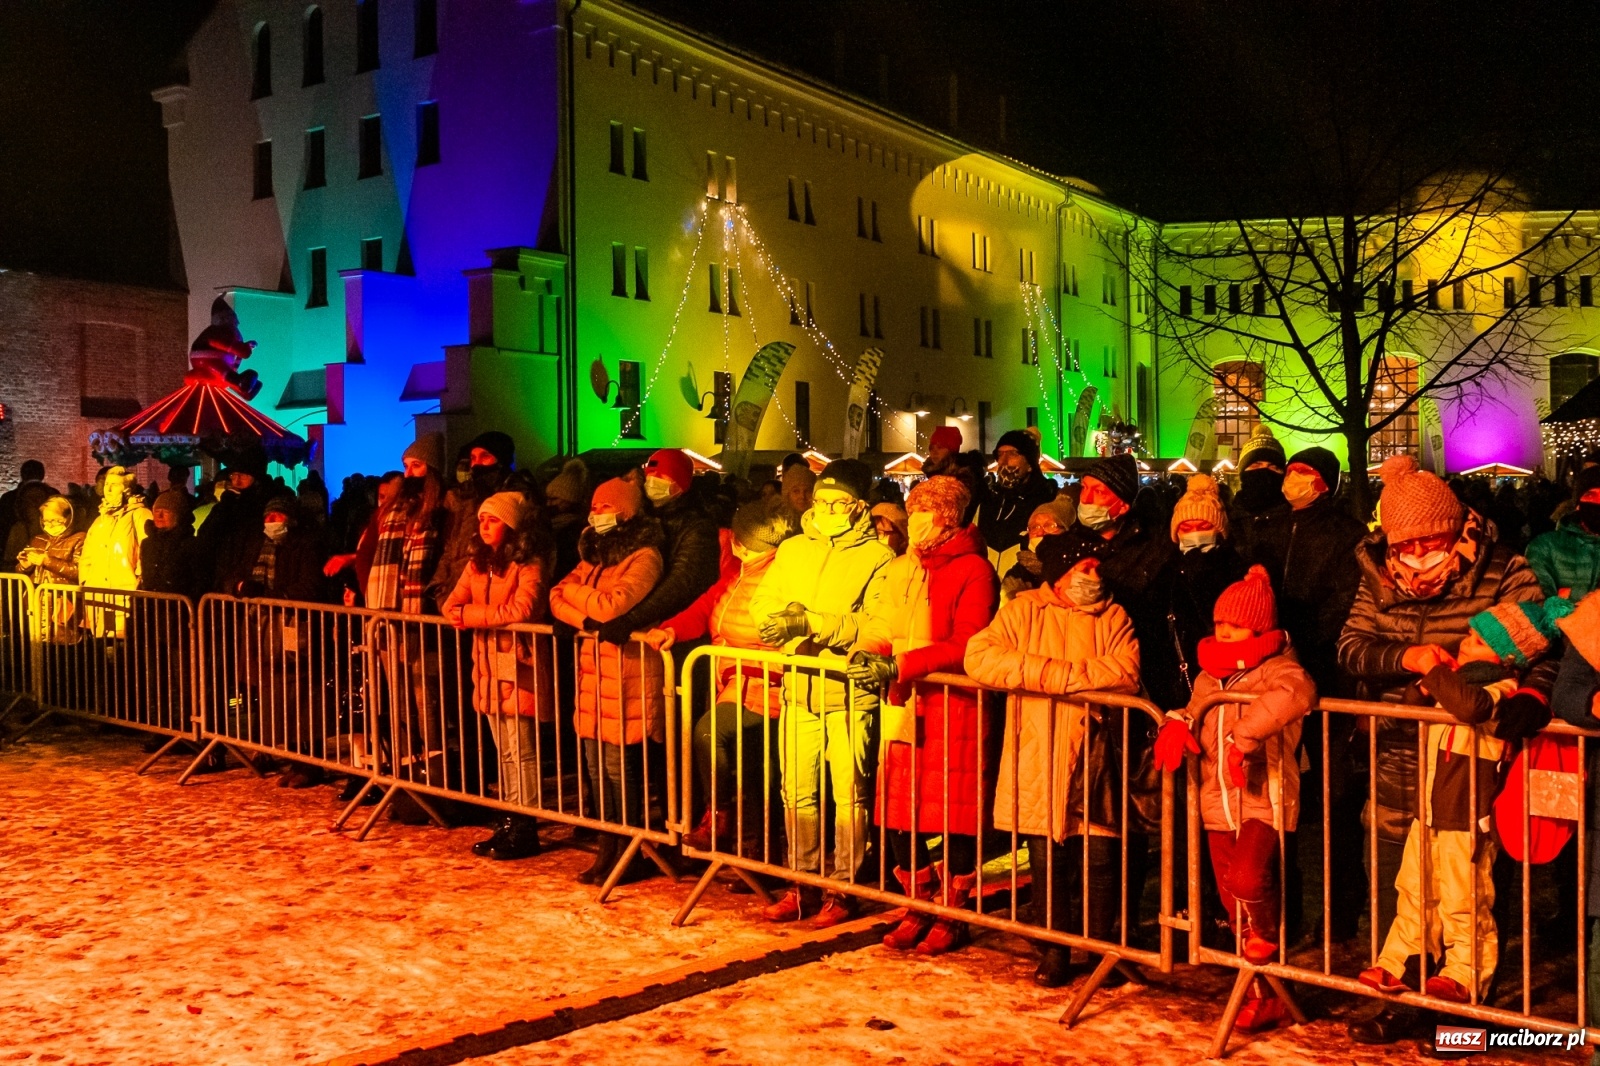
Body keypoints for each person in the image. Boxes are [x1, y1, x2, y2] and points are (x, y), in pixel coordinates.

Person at [1337, 453, 1550, 1045]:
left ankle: (1466, 1012)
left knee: (1472, 882)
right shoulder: (1377, 574)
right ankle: (1399, 993)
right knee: (1398, 881)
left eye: (1431, 540)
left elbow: (1540, 642)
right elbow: (1351, 646)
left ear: (1457, 530)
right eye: (1405, 545)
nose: (1417, 555)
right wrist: (1407, 659)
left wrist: (1532, 694)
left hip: (1470, 754)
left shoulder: (1505, 570)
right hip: (1397, 748)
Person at [1360, 599, 1566, 1005]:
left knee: (1464, 899)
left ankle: (1466, 974)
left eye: (1476, 640)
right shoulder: (1459, 681)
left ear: (1505, 656)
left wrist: (1434, 671)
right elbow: (1411, 710)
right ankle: (1404, 960)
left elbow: (1472, 709)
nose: (1464, 644)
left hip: (1469, 815)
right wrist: (1423, 684)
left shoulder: (1502, 687)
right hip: (1431, 808)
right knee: (1415, 889)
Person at [964, 534, 1140, 987]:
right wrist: (1060, 676)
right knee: (1047, 860)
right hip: (1037, 749)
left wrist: (1049, 677)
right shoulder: (1023, 611)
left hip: (1093, 755)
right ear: (1060, 573)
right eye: (1085, 568)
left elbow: (1126, 672)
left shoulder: (1114, 615)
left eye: (1098, 568)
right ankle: (1055, 949)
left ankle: (1104, 950)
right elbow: (980, 657)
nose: (1093, 577)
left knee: (1101, 858)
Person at [1155, 566, 1316, 1033]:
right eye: (1219, 623)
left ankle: (1266, 936)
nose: (1223, 631)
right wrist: (1177, 721)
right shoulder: (1210, 674)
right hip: (1216, 798)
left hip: (1263, 794)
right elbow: (1194, 707)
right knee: (1230, 897)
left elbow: (1296, 692)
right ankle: (1264, 993)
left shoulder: (1279, 666)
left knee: (1249, 879)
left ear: (1260, 627)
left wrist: (1242, 739)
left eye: (1235, 624)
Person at [848, 475, 998, 955]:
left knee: (953, 817)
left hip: (954, 706)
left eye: (923, 512)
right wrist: (868, 652)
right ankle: (918, 902)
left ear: (948, 518)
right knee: (899, 817)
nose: (913, 522)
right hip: (905, 702)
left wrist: (902, 664)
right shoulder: (904, 568)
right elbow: (883, 623)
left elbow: (967, 641)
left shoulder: (975, 569)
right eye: (910, 511)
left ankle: (953, 911)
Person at [752, 458, 894, 925]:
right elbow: (764, 599)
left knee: (849, 795)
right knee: (796, 792)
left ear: (858, 506)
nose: (828, 508)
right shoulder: (793, 549)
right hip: (800, 688)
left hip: (849, 692)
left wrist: (814, 623)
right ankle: (802, 880)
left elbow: (875, 624)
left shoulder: (879, 557)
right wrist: (775, 623)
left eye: (839, 501)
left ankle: (844, 888)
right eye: (822, 500)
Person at [549, 477, 665, 884]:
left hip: (625, 675)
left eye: (603, 507)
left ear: (626, 512)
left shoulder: (644, 556)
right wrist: (584, 617)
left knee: (620, 770)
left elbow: (614, 606)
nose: (594, 514)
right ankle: (607, 843)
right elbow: (556, 593)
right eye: (593, 507)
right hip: (593, 674)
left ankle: (629, 849)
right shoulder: (594, 557)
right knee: (597, 769)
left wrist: (581, 602)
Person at [665, 499, 796, 854]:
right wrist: (674, 629)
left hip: (766, 685)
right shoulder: (740, 572)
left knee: (710, 734)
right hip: (737, 682)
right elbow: (709, 604)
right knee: (755, 772)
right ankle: (757, 853)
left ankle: (719, 815)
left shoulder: (782, 575)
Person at [443, 491, 553, 862]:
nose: (485, 526)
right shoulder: (478, 563)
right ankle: (509, 817)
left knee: (521, 750)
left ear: (511, 525)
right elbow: (450, 603)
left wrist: (473, 616)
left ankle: (526, 824)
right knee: (502, 750)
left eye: (493, 520)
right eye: (482, 520)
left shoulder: (528, 561)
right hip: (487, 666)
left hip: (518, 664)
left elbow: (524, 607)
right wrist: (477, 612)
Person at [594, 449, 719, 645]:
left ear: (681, 482)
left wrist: (631, 619)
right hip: (649, 630)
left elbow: (682, 582)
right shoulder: (644, 519)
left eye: (661, 476)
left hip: (678, 633)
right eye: (650, 475)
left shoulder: (698, 526)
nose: (652, 482)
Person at [1148, 474, 1247, 710]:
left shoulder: (1237, 570)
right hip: (1173, 688)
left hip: (1223, 689)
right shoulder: (1164, 572)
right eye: (1186, 527)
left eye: (1203, 526)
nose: (1194, 533)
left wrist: (1201, 575)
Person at [79, 466, 152, 639]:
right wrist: (86, 581)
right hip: (97, 596)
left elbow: (147, 552)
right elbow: (87, 556)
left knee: (123, 647)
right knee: (102, 649)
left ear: (127, 489)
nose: (108, 489)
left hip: (125, 595)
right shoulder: (99, 521)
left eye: (114, 485)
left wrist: (138, 582)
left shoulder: (140, 515)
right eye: (107, 484)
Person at [977, 430, 1058, 568]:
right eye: (1000, 454)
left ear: (1030, 463)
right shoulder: (987, 502)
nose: (1003, 461)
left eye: (1013, 453)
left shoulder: (1046, 502)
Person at [1527, 465, 1600, 601]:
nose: (1598, 502)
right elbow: (1540, 603)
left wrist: (1569, 596)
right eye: (1590, 495)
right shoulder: (1545, 547)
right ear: (1577, 504)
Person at [998, 498, 1076, 605]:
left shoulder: (1080, 570)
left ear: (1067, 531)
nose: (1040, 532)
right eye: (1034, 527)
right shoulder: (1017, 575)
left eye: (1050, 526)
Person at [1229, 427, 1289, 559]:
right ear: (1243, 472)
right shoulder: (1225, 520)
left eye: (1274, 467)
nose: (1264, 472)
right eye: (1256, 465)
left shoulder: (1295, 521)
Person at [139, 490, 200, 599]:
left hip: (179, 608)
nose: (160, 516)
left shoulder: (191, 545)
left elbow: (198, 581)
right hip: (151, 607)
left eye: (166, 512)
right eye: (157, 511)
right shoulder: (147, 544)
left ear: (178, 516)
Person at [1, 460, 58, 569]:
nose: (35, 503)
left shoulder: (55, 526)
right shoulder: (18, 529)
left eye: (38, 499)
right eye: (31, 499)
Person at [17, 496, 83, 587]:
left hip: (64, 598)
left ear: (69, 518)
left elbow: (81, 572)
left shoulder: (79, 539)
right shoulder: (38, 540)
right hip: (36, 596)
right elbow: (21, 573)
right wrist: (24, 566)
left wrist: (48, 562)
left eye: (56, 520)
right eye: (46, 521)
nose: (50, 525)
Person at [543, 458, 590, 581]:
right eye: (548, 499)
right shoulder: (549, 524)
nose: (549, 504)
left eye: (554, 499)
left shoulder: (575, 532)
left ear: (570, 500)